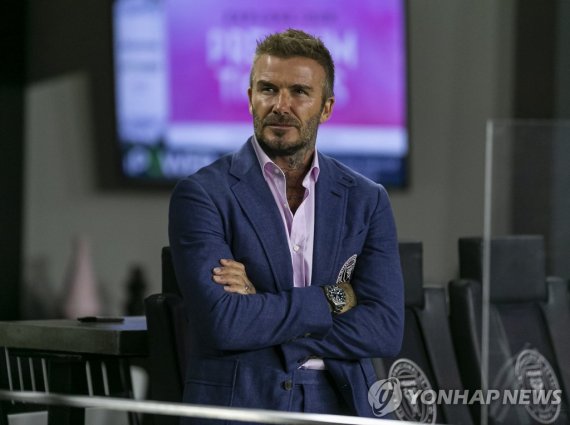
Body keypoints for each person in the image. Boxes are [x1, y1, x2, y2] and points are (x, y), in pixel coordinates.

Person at [169, 28, 404, 423]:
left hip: (341, 400)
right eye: (268, 89)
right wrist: (334, 297)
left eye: (299, 92)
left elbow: (385, 328)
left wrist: (262, 305)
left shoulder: (367, 199)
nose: (281, 105)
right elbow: (224, 323)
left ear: (326, 108)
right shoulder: (202, 194)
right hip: (241, 402)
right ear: (250, 98)